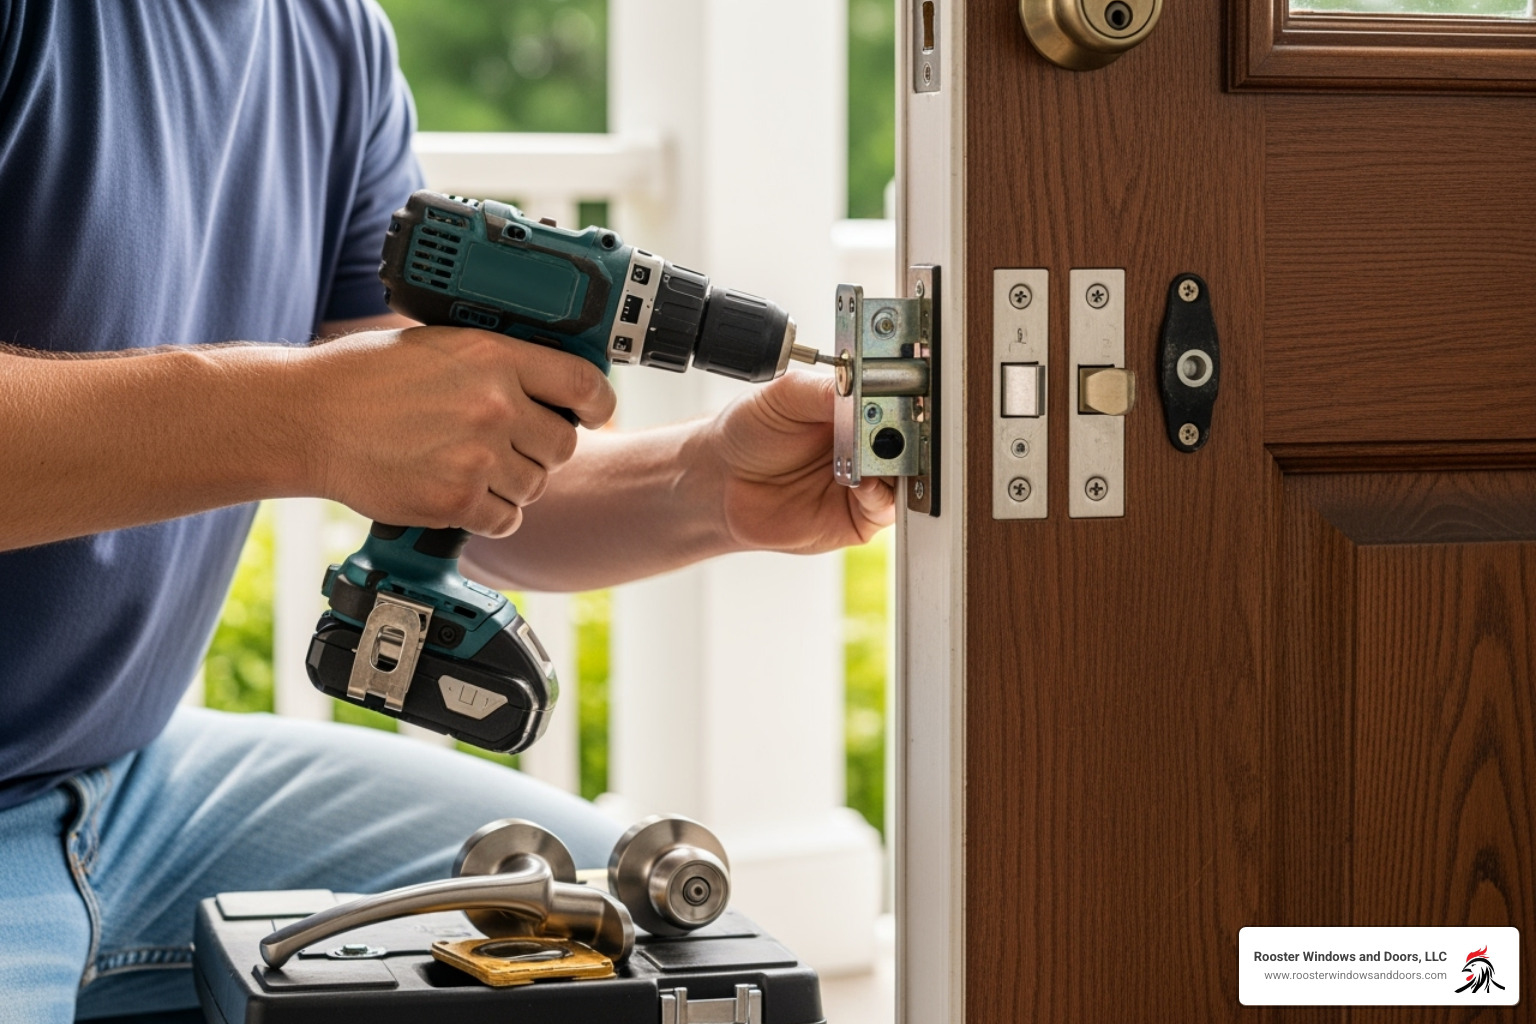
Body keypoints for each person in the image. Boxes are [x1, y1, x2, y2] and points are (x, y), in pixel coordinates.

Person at [0, 2, 894, 1021]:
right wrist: (305, 414)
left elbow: (446, 462)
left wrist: (707, 484)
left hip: (137, 778)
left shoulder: (326, 39)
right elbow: (343, 416)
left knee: (662, 946)